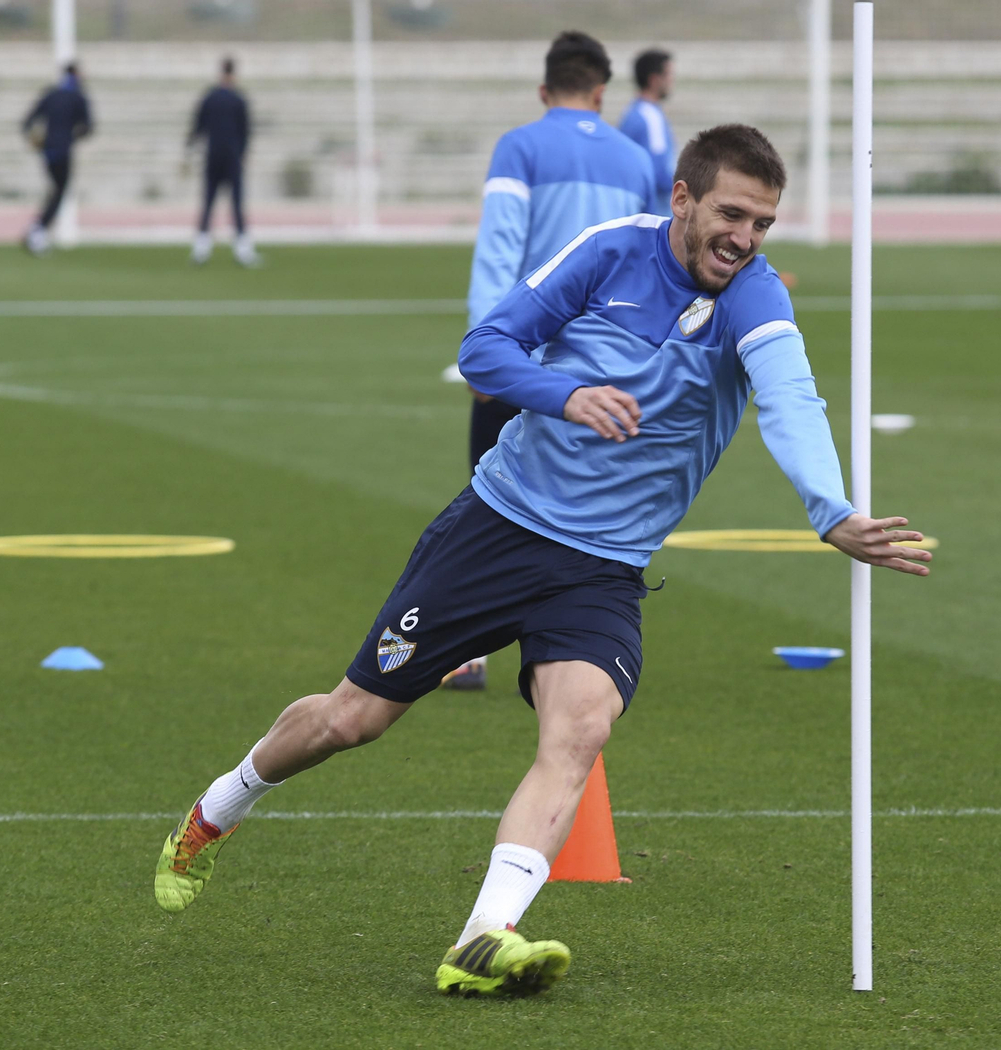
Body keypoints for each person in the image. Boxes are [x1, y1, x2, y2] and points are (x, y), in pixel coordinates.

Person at [153, 122, 930, 997]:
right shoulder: (609, 254)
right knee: (351, 721)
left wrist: (832, 514)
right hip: (496, 527)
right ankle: (219, 808)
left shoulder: (755, 295)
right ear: (682, 198)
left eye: (763, 224)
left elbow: (793, 398)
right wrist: (566, 396)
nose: (745, 240)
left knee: (581, 730)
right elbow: (484, 350)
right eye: (732, 214)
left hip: (602, 568)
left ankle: (485, 935)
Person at [444, 30, 666, 691]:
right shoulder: (634, 161)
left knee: (490, 495)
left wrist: (485, 350)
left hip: (528, 358)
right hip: (608, 365)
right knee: (592, 504)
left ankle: (467, 651)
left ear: (546, 91)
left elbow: (500, 250)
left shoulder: (521, 145)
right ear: (602, 93)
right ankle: (577, 648)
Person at [188, 56, 257, 267]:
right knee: (236, 203)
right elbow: (246, 131)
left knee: (208, 201)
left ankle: (201, 249)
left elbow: (198, 126)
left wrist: (189, 148)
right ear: (233, 73)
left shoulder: (210, 97)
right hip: (232, 156)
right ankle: (242, 250)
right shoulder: (238, 99)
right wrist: (243, 153)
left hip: (213, 155)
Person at [20, 62, 92, 256]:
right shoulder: (78, 97)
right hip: (63, 151)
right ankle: (38, 232)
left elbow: (27, 122)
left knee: (55, 191)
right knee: (59, 192)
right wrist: (70, 136)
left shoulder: (51, 94)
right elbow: (87, 128)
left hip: (47, 151)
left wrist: (36, 139)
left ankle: (37, 229)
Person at [618, 49, 676, 211]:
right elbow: (659, 173)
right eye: (669, 74)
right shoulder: (650, 117)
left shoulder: (633, 112)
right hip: (654, 213)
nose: (672, 80)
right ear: (654, 80)